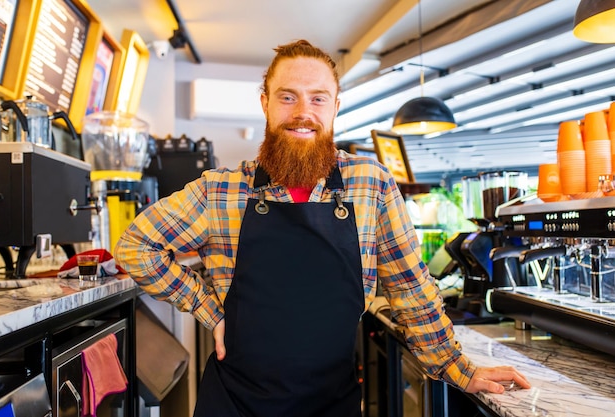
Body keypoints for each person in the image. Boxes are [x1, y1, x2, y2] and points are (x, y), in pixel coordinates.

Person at [114, 39, 530, 417]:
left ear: (335, 106)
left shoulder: (371, 185)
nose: (303, 113)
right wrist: (209, 310)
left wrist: (459, 368)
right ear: (265, 103)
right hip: (235, 402)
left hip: (332, 403)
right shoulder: (221, 190)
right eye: (287, 97)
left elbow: (411, 290)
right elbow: (136, 246)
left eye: (318, 99)